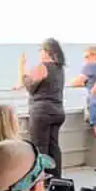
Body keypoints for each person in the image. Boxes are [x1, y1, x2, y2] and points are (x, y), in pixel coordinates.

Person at [20, 38, 66, 177]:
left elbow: (30, 87)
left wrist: (22, 68)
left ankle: (41, 182)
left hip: (42, 112)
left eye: (41, 50)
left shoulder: (43, 66)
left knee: (40, 149)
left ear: (46, 52)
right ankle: (56, 180)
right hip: (58, 111)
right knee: (54, 148)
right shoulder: (59, 68)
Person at [70, 46, 96, 166]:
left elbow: (76, 82)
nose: (85, 60)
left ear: (95, 56)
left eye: (87, 57)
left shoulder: (90, 67)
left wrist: (85, 82)